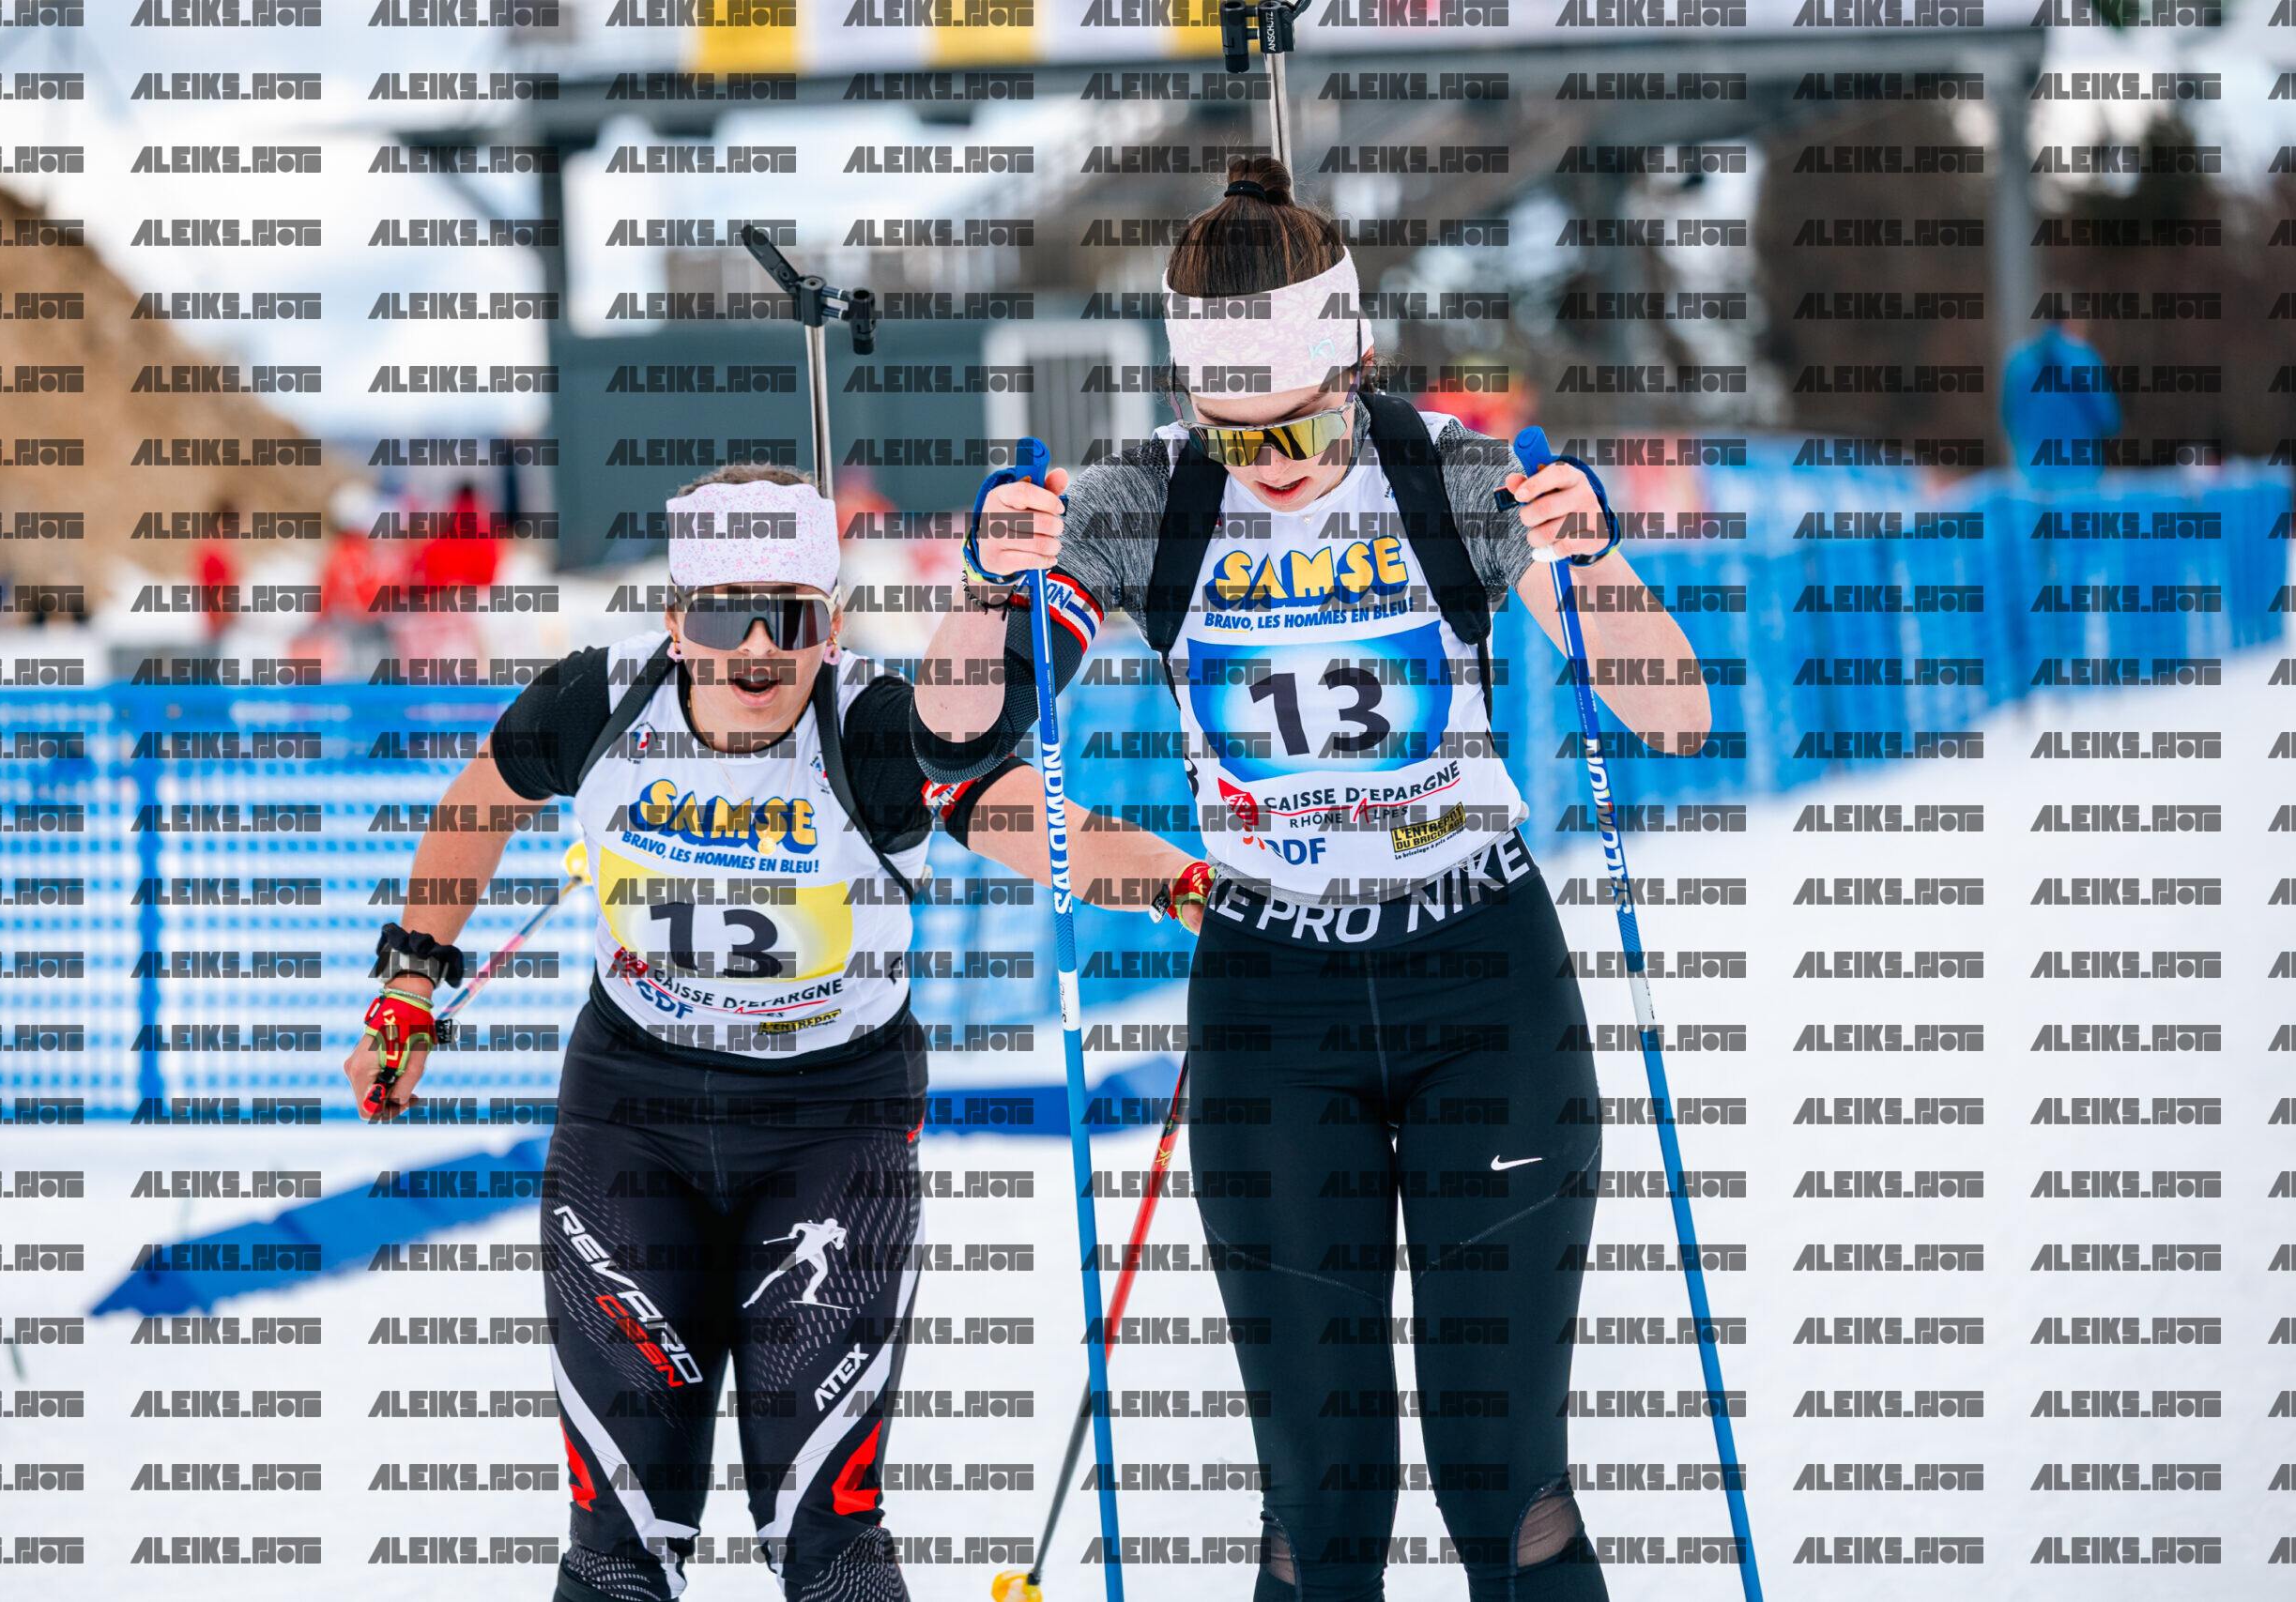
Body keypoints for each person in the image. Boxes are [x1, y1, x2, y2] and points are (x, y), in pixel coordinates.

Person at [909, 159, 1713, 1602]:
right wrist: (983, 584)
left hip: (1482, 982)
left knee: (1507, 1482)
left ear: (1357, 358)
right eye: (1238, 428)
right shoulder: (1144, 498)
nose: (1272, 456)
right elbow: (956, 738)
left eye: (1301, 417)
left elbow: (1674, 713)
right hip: (1273, 1002)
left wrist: (1597, 561)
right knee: (1318, 1504)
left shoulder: (1449, 471)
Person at [340, 464, 1198, 1602]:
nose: (754, 650)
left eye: (787, 619)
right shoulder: (599, 703)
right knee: (617, 1539)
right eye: (721, 617)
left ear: (829, 628)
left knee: (824, 1533)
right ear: (675, 623)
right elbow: (478, 802)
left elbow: (1039, 824)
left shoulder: (873, 730)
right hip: (630, 1120)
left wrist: (1188, 885)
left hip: (829, 1130)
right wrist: (408, 990)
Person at [2000, 318, 2120, 489]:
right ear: (2069, 323)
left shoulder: (2019, 363)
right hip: (2081, 472)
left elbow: (2010, 420)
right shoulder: (2085, 359)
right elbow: (2108, 420)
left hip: (2033, 474)